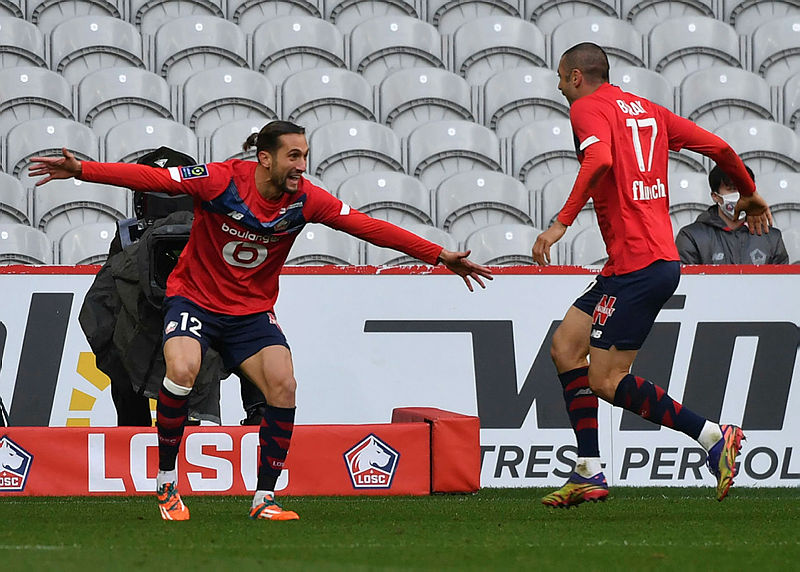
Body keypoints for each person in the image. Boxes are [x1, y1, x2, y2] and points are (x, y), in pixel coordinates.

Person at [29, 120, 492, 522]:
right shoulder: (220, 181)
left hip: (250, 312)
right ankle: (167, 480)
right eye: (293, 156)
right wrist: (82, 170)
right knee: (183, 371)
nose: (301, 165)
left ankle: (264, 498)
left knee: (283, 386)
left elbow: (370, 227)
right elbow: (154, 178)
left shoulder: (305, 200)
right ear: (265, 159)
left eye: (305, 156)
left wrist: (439, 255)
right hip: (194, 301)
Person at [531, 43, 773, 507]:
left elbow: (599, 160)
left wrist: (560, 222)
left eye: (561, 77)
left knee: (606, 380)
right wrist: (749, 191)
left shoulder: (586, 108)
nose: (559, 86)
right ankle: (588, 469)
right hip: (636, 263)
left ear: (577, 76)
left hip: (639, 266)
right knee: (565, 346)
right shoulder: (648, 110)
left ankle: (712, 436)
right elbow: (720, 148)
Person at [676, 164, 789, 265]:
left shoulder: (772, 238)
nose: (739, 195)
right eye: (731, 189)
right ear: (715, 196)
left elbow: (781, 280)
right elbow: (686, 280)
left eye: (744, 189)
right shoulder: (691, 236)